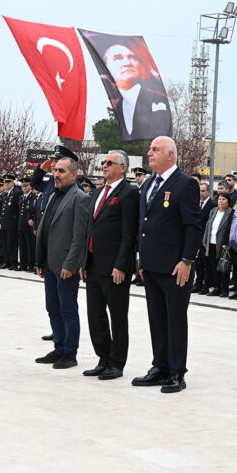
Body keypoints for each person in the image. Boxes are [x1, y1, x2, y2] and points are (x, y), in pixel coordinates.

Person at [131, 136, 202, 394]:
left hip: (175, 267)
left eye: (155, 149)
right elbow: (144, 222)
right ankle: (159, 366)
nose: (149, 153)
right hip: (150, 265)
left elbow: (192, 226)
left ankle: (176, 371)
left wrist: (187, 260)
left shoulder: (185, 184)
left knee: (175, 319)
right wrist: (141, 256)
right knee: (156, 318)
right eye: (150, 149)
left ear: (171, 155)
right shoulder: (149, 183)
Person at [81, 149, 139, 380]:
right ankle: (103, 357)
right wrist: (84, 261)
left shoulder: (128, 193)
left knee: (117, 316)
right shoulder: (97, 193)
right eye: (103, 162)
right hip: (93, 263)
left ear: (123, 168)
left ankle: (117, 363)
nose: (104, 166)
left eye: (109, 163)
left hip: (114, 267)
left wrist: (121, 265)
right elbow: (89, 229)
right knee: (95, 315)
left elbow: (129, 234)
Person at [34, 154, 90, 370]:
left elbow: (79, 237)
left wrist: (71, 265)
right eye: (55, 170)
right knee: (52, 307)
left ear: (74, 175)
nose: (56, 174)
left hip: (65, 265)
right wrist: (40, 260)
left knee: (67, 308)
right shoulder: (53, 195)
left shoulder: (80, 198)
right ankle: (58, 347)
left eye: (61, 171)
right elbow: (46, 228)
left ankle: (69, 352)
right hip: (49, 262)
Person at [103, 43, 172, 141]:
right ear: (107, 67)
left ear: (141, 65)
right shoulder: (118, 106)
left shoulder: (157, 100)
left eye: (132, 57)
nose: (127, 63)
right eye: (118, 58)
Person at [201, 192, 233, 297]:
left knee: (223, 267)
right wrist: (205, 240)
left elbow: (230, 229)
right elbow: (208, 226)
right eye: (219, 199)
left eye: (224, 199)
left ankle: (224, 289)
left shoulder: (230, 213)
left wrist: (226, 242)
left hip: (222, 244)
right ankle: (216, 287)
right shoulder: (213, 211)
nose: (221, 201)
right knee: (213, 266)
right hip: (211, 243)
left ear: (228, 201)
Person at [191, 182, 216, 293]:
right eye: (199, 191)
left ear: (208, 192)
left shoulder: (213, 205)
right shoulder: (195, 203)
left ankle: (206, 285)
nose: (200, 193)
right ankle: (198, 283)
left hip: (206, 238)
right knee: (198, 263)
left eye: (203, 191)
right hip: (195, 237)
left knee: (207, 263)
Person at [0, 175, 21, 269]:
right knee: (4, 243)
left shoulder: (16, 193)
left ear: (13, 182)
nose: (6, 184)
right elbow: (3, 210)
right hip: (5, 222)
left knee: (12, 243)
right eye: (5, 182)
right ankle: (6, 261)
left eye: (8, 182)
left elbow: (18, 208)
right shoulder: (5, 194)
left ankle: (13, 262)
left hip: (12, 223)